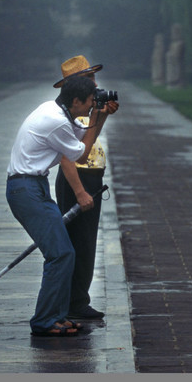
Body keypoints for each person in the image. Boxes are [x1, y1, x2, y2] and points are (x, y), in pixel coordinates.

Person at [5, 74, 113, 336]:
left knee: (64, 253)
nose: (90, 107)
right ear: (76, 100)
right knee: (61, 254)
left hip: (33, 186)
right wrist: (96, 119)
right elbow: (80, 152)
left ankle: (56, 316)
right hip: (26, 190)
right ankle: (44, 321)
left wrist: (100, 116)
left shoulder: (56, 112)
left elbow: (83, 135)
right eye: (89, 102)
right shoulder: (55, 121)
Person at [53, 56, 119, 320]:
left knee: (87, 241)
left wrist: (100, 115)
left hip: (90, 177)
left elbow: (88, 141)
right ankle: (74, 302)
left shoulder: (84, 108)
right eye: (88, 79)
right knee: (77, 241)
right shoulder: (68, 113)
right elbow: (69, 156)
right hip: (77, 180)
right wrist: (80, 191)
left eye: (93, 77)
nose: (94, 83)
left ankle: (79, 299)